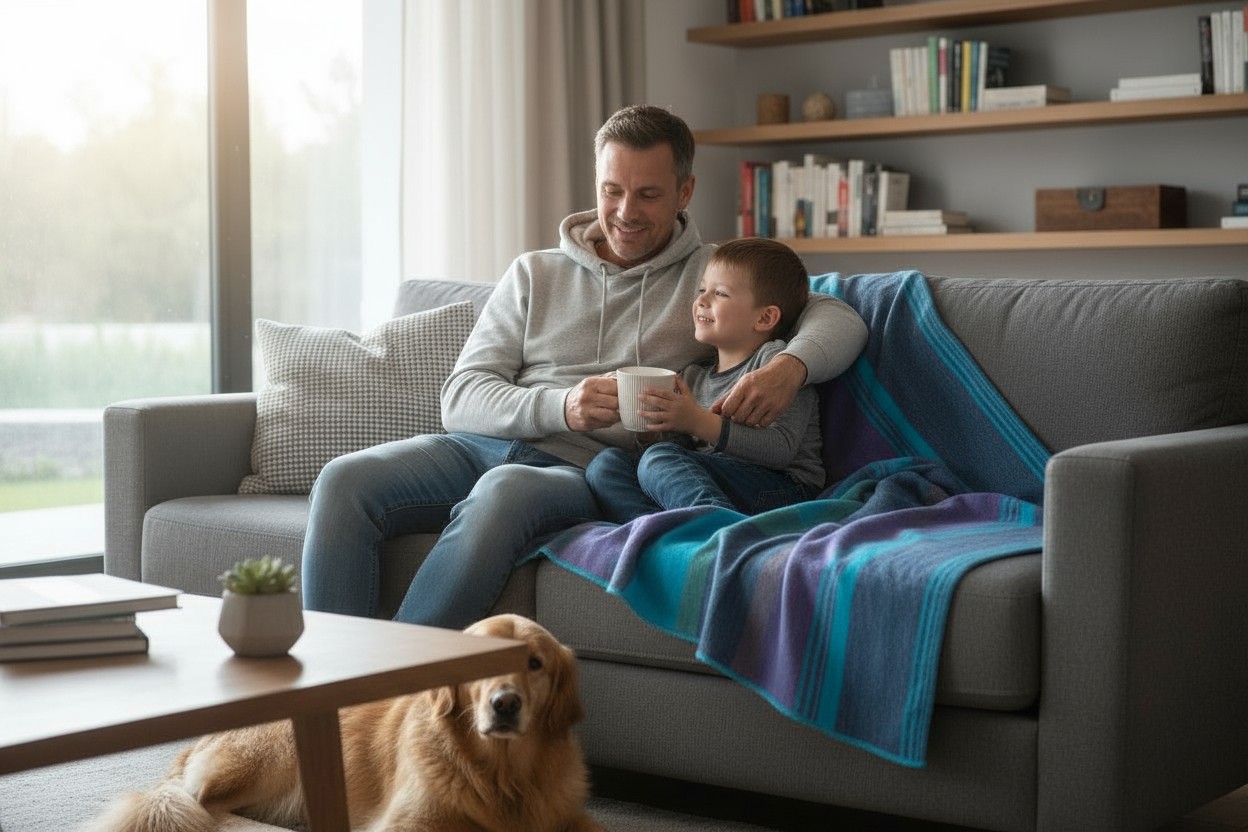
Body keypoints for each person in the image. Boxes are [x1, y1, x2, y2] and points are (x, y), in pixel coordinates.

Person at [300, 104, 868, 628]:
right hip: (479, 445)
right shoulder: (533, 273)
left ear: (684, 191)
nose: (625, 213)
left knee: (504, 490)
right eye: (611, 190)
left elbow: (839, 316)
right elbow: (462, 397)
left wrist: (791, 365)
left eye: (648, 194)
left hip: (578, 472)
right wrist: (561, 406)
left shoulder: (712, 276)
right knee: (344, 479)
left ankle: (396, 689)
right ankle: (321, 696)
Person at [585, 237, 824, 523]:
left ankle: (717, 534)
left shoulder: (775, 367)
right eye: (701, 290)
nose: (701, 300)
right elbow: (683, 454)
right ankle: (659, 536)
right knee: (606, 465)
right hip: (715, 481)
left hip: (783, 487)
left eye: (720, 294)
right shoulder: (694, 375)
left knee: (660, 459)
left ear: (765, 318)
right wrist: (651, 434)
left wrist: (695, 420)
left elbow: (780, 450)